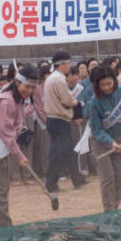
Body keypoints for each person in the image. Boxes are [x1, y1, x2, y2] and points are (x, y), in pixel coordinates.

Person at [0, 65, 37, 228]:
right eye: (27, 86)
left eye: (33, 87)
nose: (30, 90)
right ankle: (8, 233)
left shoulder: (18, 99)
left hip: (1, 147)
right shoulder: (6, 100)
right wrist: (20, 156)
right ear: (17, 82)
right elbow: (6, 132)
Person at [87, 66, 121, 212]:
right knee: (108, 179)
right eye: (102, 85)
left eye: (109, 83)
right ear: (97, 85)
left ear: (115, 80)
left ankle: (115, 208)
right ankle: (109, 212)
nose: (107, 87)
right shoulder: (93, 102)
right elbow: (96, 129)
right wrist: (110, 142)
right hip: (101, 143)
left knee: (119, 178)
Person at [44, 51, 86, 192]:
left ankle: (77, 179)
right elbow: (67, 100)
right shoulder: (59, 79)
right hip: (59, 120)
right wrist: (77, 103)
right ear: (61, 64)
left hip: (55, 119)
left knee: (67, 150)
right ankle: (51, 183)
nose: (69, 66)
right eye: (68, 63)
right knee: (58, 153)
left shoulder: (52, 78)